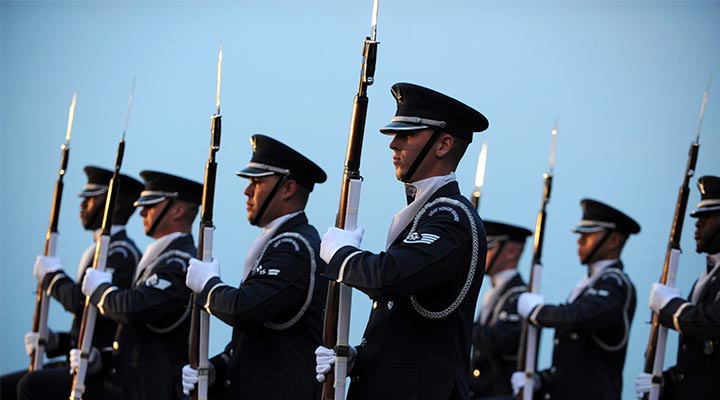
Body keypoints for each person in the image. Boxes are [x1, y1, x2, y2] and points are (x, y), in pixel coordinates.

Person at [316, 82, 488, 399]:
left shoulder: (451, 218)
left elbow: (388, 277)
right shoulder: (425, 214)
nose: (393, 144)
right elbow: (408, 325)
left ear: (443, 144)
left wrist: (342, 256)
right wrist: (360, 359)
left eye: (407, 135)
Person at [181, 134, 328, 399]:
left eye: (257, 182)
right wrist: (217, 368)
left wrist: (209, 286)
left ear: (288, 188)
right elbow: (255, 336)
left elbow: (244, 310)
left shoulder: (293, 248)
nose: (247, 191)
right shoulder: (278, 244)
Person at [2, 166, 143, 400]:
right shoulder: (98, 251)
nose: (82, 204)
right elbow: (86, 326)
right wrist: (55, 341)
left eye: (91, 198)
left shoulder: (121, 254)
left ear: (114, 204)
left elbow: (83, 302)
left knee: (29, 386)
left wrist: (53, 278)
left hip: (102, 366)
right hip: (78, 361)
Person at [76, 170, 202, 400]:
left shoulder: (179, 262)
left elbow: (137, 307)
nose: (141, 211)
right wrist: (101, 357)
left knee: (32, 387)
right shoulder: (162, 257)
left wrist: (101, 292)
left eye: (151, 205)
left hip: (152, 387)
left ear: (178, 209)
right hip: (132, 381)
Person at [512, 199, 639, 400]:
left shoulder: (615, 284)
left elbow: (578, 317)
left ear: (613, 240)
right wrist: (541, 380)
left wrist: (538, 312)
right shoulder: (589, 285)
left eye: (589, 235)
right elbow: (574, 361)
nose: (580, 240)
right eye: (581, 234)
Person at [635, 175, 720, 399]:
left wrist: (672, 306)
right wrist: (666, 382)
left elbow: (714, 323)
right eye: (697, 216)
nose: (698, 223)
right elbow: (699, 358)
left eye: (708, 216)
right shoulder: (707, 278)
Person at [470, 220, 532, 399]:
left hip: (502, 392)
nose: (481, 253)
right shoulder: (496, 291)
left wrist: (459, 325)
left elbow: (498, 340)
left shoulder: (519, 296)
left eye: (488, 247)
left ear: (511, 252)